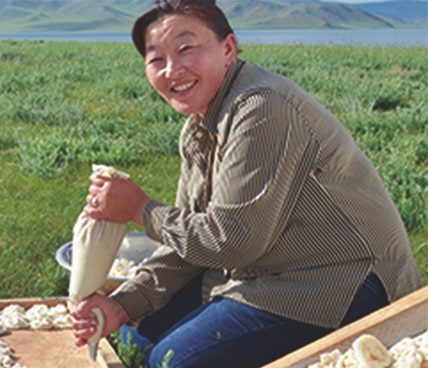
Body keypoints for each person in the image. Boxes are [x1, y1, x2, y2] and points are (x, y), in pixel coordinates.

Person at [70, 1, 423, 367]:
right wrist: (123, 303)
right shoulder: (199, 129)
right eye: (156, 59)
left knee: (172, 361)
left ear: (228, 49)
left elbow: (231, 240)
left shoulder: (262, 109)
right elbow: (192, 238)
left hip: (341, 278)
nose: (172, 69)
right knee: (133, 335)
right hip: (266, 265)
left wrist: (140, 210)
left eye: (186, 48)